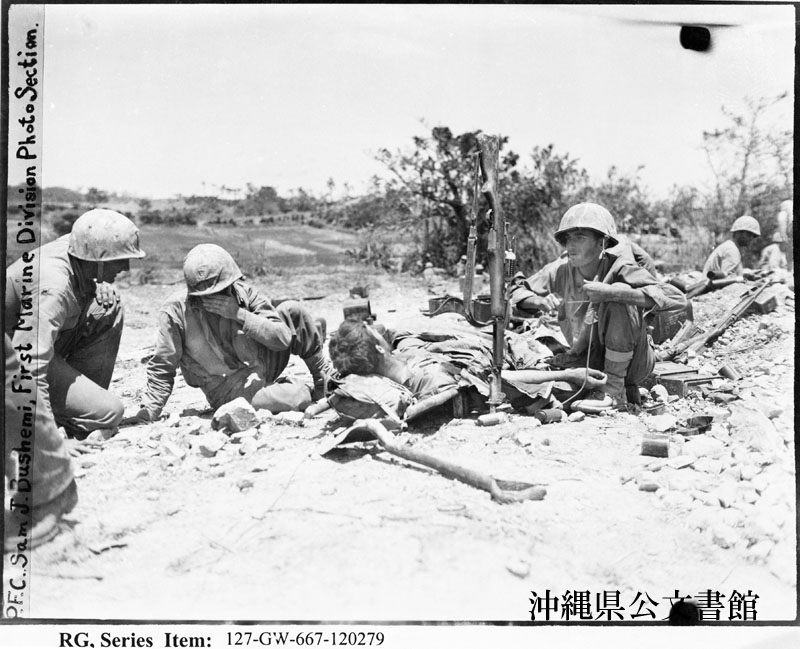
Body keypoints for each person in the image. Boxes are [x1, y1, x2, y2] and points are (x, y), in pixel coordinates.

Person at [4, 209, 145, 548]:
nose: (124, 268)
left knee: (108, 306)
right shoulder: (52, 284)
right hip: (13, 368)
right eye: (119, 261)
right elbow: (27, 365)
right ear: (95, 260)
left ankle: (73, 406)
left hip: (37, 348)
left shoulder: (81, 248)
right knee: (108, 412)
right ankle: (54, 425)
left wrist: (92, 289)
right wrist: (48, 443)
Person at [124, 244, 337, 423]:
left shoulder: (246, 294)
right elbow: (163, 366)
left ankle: (323, 382)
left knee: (292, 311)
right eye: (205, 295)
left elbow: (281, 339)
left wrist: (239, 314)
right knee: (296, 396)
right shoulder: (175, 312)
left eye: (221, 291)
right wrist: (149, 411)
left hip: (261, 362)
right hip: (228, 390)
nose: (214, 298)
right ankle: (293, 391)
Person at [508, 202, 687, 413]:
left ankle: (613, 391)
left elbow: (677, 299)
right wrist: (536, 301)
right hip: (586, 360)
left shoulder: (620, 267)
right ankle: (595, 389)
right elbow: (515, 290)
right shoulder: (561, 270)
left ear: (601, 242)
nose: (571, 245)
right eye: (568, 239)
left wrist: (613, 293)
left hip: (634, 364)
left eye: (580, 237)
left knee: (617, 295)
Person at [328, 319, 607, 404]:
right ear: (378, 347)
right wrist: (569, 375)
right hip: (518, 360)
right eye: (375, 331)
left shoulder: (402, 357)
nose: (381, 329)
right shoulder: (431, 377)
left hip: (498, 346)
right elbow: (499, 382)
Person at [702, 215, 761, 280]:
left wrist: (746, 276)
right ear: (739, 233)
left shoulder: (732, 247)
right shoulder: (732, 250)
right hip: (711, 288)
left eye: (753, 236)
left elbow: (731, 275)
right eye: (749, 234)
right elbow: (727, 281)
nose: (751, 238)